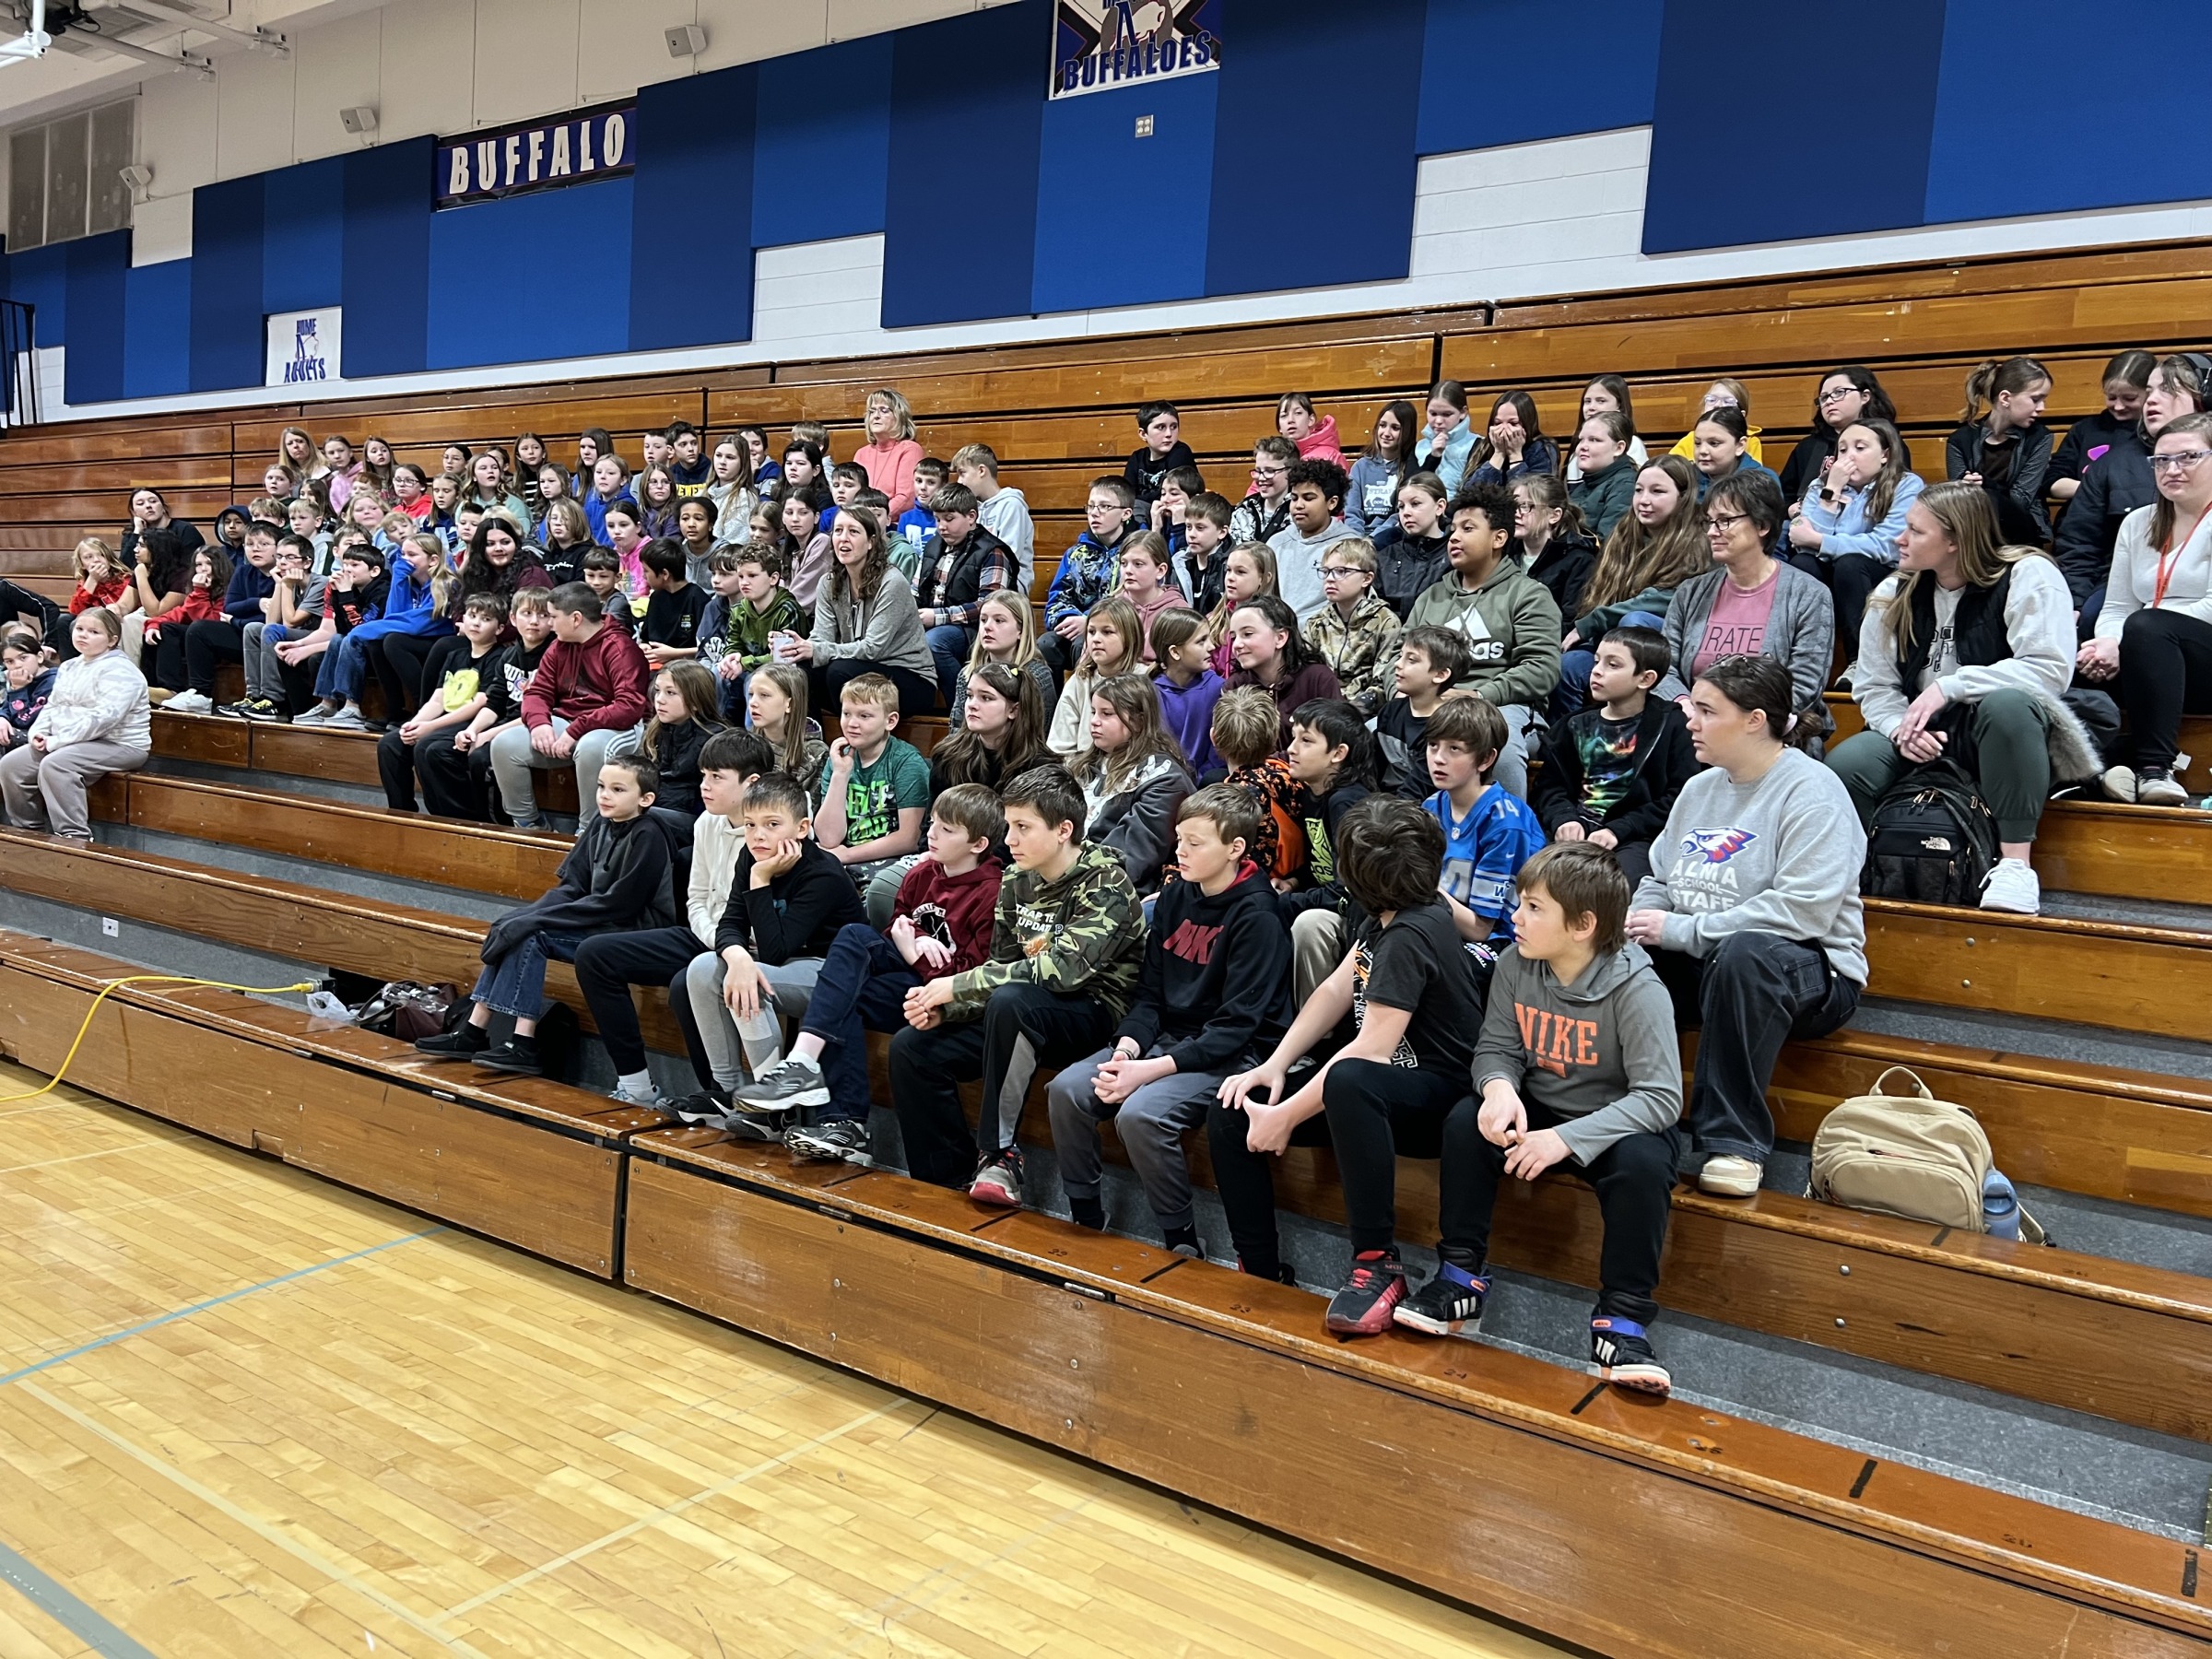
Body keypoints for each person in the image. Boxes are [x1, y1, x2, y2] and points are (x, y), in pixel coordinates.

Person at [1407, 842, 1683, 1395]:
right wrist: (1499, 1088)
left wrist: (1564, 1139)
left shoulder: (1638, 988)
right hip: (1541, 1106)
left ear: (1583, 925)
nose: (1516, 917)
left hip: (1614, 1121)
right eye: (1520, 903)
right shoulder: (1514, 964)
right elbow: (1495, 1049)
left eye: (1534, 908)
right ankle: (1460, 1278)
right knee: (1468, 1120)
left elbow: (1660, 1098)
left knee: (1645, 1163)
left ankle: (1622, 1321)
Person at [1212, 795, 1485, 1303]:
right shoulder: (1380, 910)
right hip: (1379, 1085)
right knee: (1232, 1110)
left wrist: (1288, 1116)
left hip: (1436, 1096)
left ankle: (1376, 1263)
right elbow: (1338, 990)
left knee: (1349, 1078)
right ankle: (1261, 1270)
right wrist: (1275, 1066)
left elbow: (1369, 1050)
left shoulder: (1412, 933)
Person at [1628, 654, 1865, 1198]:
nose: (1689, 719)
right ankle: (1602, 1110)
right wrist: (1639, 920)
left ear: (1755, 720)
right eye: (1691, 706)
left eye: (1706, 710)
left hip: (1810, 971)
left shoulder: (1813, 791)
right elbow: (1661, 876)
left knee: (1745, 955)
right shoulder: (1701, 788)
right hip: (1703, 956)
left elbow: (1803, 911)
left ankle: (1734, 1144)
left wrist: (1682, 931)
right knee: (1605, 950)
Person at [1049, 785, 1294, 1254]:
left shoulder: (1259, 915)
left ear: (1234, 849)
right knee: (1067, 1091)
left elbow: (1236, 1028)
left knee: (1141, 1116)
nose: (1179, 851)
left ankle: (1180, 1240)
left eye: (1195, 843)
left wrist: (1148, 1071)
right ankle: (1085, 1221)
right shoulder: (1175, 897)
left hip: (1234, 1056)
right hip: (1166, 1040)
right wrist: (1126, 1052)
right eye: (1179, 839)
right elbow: (1150, 996)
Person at [1830, 484, 2094, 916]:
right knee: (1849, 762)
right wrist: (1899, 728)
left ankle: (2015, 866)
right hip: (1920, 729)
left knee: (2008, 706)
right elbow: (1874, 686)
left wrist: (1950, 686)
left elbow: (2049, 670)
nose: (1899, 538)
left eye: (1915, 531)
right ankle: (1865, 868)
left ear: (1955, 541)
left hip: (1996, 730)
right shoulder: (1893, 590)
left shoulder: (2029, 574)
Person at [889, 765, 1147, 1205]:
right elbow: (1003, 965)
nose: (1010, 840)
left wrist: (954, 987)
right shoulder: (1016, 880)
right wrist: (945, 1009)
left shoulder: (1107, 883)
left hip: (1093, 1015)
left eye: (1023, 828)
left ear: (1064, 830)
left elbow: (1061, 972)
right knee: (912, 1046)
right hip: (1020, 1011)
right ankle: (943, 1184)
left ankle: (1000, 1155)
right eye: (1009, 827)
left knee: (1013, 1001)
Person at [727, 784, 1008, 1160]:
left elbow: (973, 976)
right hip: (911, 980)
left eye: (947, 830)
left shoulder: (994, 893)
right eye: (933, 824)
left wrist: (913, 951)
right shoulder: (921, 873)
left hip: (948, 999)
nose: (932, 834)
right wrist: (911, 940)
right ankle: (846, 1126)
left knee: (852, 947)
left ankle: (803, 1065)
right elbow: (898, 924)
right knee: (842, 988)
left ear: (978, 844)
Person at [411, 754, 681, 1077]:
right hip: (600, 918)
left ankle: (522, 1044)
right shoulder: (600, 822)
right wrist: (525, 914)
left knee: (532, 935)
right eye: (601, 787)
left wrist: (536, 921)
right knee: (517, 928)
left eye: (618, 789)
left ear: (645, 798)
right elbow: (572, 886)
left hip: (635, 929)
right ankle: (473, 1030)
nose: (605, 795)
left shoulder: (649, 834)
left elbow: (620, 905)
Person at [564, 729, 778, 1117]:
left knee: (685, 983)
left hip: (749, 946)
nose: (704, 786)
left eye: (716, 777)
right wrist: (713, 938)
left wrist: (724, 945)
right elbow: (696, 898)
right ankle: (636, 1085)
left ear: (752, 783)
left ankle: (719, 1094)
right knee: (595, 954)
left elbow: (758, 916)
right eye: (702, 776)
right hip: (705, 935)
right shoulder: (705, 824)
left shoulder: (771, 831)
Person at [706, 770, 874, 1134]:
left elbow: (774, 951)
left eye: (771, 824)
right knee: (704, 969)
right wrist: (737, 957)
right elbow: (730, 924)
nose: (758, 835)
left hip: (830, 974)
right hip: (787, 965)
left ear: (802, 828)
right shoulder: (751, 857)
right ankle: (731, 1092)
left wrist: (760, 881)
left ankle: (773, 1108)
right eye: (750, 825)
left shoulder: (822, 874)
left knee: (757, 979)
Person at [2080, 411, 2212, 807]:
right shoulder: (2139, 522)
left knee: (2148, 627)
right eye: (2161, 460)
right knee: (2071, 656)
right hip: (2147, 652)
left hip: (2203, 658)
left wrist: (2133, 639)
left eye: (2188, 457)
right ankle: (2097, 764)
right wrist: (2107, 643)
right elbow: (2118, 603)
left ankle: (2156, 768)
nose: (2171, 469)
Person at [1406, 480, 1561, 794]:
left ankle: (1510, 837)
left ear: (1498, 538)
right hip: (1431, 702)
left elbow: (1542, 668)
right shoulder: (1432, 596)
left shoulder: (1528, 594)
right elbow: (1399, 653)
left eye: (1468, 528)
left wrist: (1479, 695)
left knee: (1496, 751)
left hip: (1501, 705)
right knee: (1364, 737)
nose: (1454, 537)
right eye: (1453, 529)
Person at [1533, 627, 1693, 888]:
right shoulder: (1572, 725)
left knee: (1616, 887)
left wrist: (1620, 829)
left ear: (1645, 679)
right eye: (1597, 661)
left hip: (1636, 836)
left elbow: (1679, 795)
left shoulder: (1671, 725)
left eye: (1613, 665)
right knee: (1540, 882)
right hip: (1578, 829)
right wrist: (1564, 818)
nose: (1596, 670)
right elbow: (1550, 786)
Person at [488, 582, 650, 833]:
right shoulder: (559, 646)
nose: (549, 624)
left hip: (618, 727)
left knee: (590, 747)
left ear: (576, 618)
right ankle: (529, 825)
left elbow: (628, 707)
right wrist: (540, 722)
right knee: (504, 744)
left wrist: (576, 730)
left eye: (552, 616)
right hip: (568, 720)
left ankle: (589, 831)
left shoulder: (621, 648)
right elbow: (537, 691)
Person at [2056, 353, 2206, 623]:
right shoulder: (2111, 464)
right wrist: (2075, 602)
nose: (2152, 399)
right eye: (2149, 391)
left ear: (2204, 398)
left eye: (2167, 389)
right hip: (2127, 588)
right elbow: (2080, 543)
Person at [1677, 468, 1838, 717]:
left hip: (1769, 732)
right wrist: (1686, 705)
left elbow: (1804, 685)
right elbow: (1665, 668)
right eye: (1709, 521)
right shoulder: (1690, 592)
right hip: (1693, 725)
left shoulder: (1809, 594)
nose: (1711, 531)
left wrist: (1737, 721)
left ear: (1762, 525)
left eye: (1724, 520)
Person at [1559, 457, 1706, 719]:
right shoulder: (1624, 534)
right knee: (1568, 666)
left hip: (1670, 643)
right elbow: (1599, 595)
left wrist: (1595, 621)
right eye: (1639, 490)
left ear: (1683, 496)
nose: (1644, 500)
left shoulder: (1700, 540)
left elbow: (1670, 598)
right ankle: (1571, 741)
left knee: (1634, 621)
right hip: (1612, 641)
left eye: (1657, 491)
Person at [0, 607, 151, 841]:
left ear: (112, 640)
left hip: (120, 744)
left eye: (93, 632)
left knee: (56, 765)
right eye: (80, 629)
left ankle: (74, 837)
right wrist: (38, 733)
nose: (83, 635)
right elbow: (53, 706)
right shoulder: (69, 666)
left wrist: (56, 741)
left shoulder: (122, 671)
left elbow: (103, 720)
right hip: (69, 741)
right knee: (11, 765)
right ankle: (28, 833)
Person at [1423, 694, 1546, 965]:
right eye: (1433, 745)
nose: (1438, 759)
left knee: (1420, 960)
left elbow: (1480, 929)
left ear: (1486, 759)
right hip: (1442, 923)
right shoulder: (1431, 806)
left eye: (1454, 749)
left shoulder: (1506, 822)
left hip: (1501, 943)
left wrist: (1415, 884)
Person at [1782, 418, 1920, 657]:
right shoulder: (1820, 487)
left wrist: (1820, 542)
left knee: (1851, 564)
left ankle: (1859, 659)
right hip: (1834, 573)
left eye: (1860, 447)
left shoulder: (1906, 485)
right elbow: (1804, 547)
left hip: (1883, 573)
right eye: (1842, 449)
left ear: (1885, 454)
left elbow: (1887, 546)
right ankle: (1805, 655)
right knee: (1801, 565)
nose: (1848, 456)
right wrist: (1831, 492)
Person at [791, 503, 937, 719]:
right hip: (859, 667)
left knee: (839, 672)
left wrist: (818, 650)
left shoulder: (892, 582)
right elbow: (821, 637)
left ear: (871, 542)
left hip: (910, 677)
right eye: (838, 531)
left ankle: (855, 737)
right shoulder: (828, 583)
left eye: (853, 531)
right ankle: (815, 740)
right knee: (800, 672)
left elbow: (873, 649)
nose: (843, 538)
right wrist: (800, 648)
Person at [377, 594, 503, 813]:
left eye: (485, 619)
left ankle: (449, 817)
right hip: (445, 718)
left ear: (499, 628)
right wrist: (414, 724)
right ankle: (402, 812)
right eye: (472, 616)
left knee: (427, 746)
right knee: (390, 744)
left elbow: (480, 702)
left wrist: (430, 727)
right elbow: (438, 699)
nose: (476, 623)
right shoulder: (454, 655)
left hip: (474, 721)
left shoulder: (499, 657)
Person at [1074, 674, 1194, 892]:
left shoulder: (1165, 779)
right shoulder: (1083, 766)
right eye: (1093, 712)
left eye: (1107, 714)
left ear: (1138, 720)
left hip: (1117, 893)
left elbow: (1132, 856)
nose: (1094, 721)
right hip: (1070, 877)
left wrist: (1065, 874)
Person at [815, 671, 931, 896]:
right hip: (843, 857)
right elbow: (828, 838)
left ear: (890, 721)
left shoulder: (906, 762)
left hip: (889, 860)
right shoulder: (838, 759)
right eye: (846, 713)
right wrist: (840, 774)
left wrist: (847, 855)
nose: (852, 724)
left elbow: (909, 839)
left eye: (864, 716)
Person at [911, 482, 1016, 700]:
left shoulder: (992, 551)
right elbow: (915, 590)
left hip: (975, 628)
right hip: (932, 621)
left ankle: (961, 706)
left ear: (971, 517)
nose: (941, 526)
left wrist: (938, 617)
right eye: (937, 519)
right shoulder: (932, 546)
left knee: (935, 643)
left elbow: (990, 605)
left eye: (949, 519)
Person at [163, 521, 279, 714]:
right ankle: (200, 694)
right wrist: (257, 604)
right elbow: (230, 607)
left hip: (266, 639)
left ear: (279, 547)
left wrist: (237, 620)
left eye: (264, 544)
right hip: (241, 634)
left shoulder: (282, 577)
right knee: (199, 629)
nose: (255, 549)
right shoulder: (243, 571)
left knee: (255, 629)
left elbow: (271, 619)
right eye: (250, 544)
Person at [1207, 686, 1308, 888]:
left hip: (1253, 891)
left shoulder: (1232, 800)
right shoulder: (1290, 776)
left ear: (1214, 738)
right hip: (1295, 879)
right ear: (1274, 737)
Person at [1041, 477, 1145, 674]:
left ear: (1126, 513)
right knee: (1046, 644)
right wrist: (1070, 618)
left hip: (1115, 630)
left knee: (1085, 643)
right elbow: (1057, 599)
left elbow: (1133, 600)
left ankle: (1092, 702)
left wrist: (1089, 622)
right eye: (1091, 507)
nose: (1095, 513)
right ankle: (1053, 705)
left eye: (1105, 506)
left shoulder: (1137, 552)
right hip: (1077, 625)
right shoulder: (1075, 554)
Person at [1947, 356, 2053, 546]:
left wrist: (1984, 485)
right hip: (1973, 532)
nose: (2042, 408)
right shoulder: (1959, 440)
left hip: (2021, 533)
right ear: (2005, 398)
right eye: (2036, 399)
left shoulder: (2040, 437)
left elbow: (2021, 500)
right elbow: (1956, 502)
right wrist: (1963, 486)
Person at [1222, 594, 1342, 749]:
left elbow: (1335, 739)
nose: (1237, 644)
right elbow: (1229, 748)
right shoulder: (1235, 685)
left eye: (1247, 634)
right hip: (1252, 770)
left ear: (1280, 638)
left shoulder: (1318, 678)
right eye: (1233, 637)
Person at [1775, 367, 1907, 508]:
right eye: (1824, 397)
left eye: (1839, 392)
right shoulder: (1807, 446)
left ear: (1865, 396)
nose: (1829, 401)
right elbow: (1784, 495)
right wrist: (1790, 509)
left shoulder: (1888, 441)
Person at [1372, 624, 1474, 798]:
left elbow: (1419, 790)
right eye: (1400, 656)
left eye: (1411, 660)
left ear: (1440, 675)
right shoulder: (1391, 711)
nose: (1397, 664)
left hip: (1416, 809)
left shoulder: (1447, 727)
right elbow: (1373, 767)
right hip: (1384, 801)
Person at [612, 662, 724, 818]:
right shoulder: (655, 731)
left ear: (696, 701)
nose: (660, 700)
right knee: (608, 810)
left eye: (670, 693)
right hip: (656, 807)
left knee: (640, 817)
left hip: (691, 817)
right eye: (658, 691)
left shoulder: (715, 740)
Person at [1301, 537, 1395, 715]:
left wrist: (1347, 711)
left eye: (1341, 571)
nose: (1329, 579)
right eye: (1326, 571)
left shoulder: (1385, 622)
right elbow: (1305, 675)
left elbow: (1382, 683)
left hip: (1364, 714)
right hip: (1321, 709)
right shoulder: (1316, 623)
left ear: (1366, 579)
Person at [2049, 350, 2155, 506]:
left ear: (2150, 393)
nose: (2118, 406)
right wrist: (2099, 489)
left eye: (2129, 398)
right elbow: (2053, 482)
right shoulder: (2084, 429)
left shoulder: (2161, 432)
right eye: (2111, 397)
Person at [950, 588, 1056, 727]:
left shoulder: (1036, 676)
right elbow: (956, 731)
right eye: (983, 620)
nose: (987, 627)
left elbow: (1040, 735)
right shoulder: (967, 674)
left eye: (999, 620)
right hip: (972, 748)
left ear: (1021, 630)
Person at [1269, 458, 1359, 621]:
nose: (1298, 505)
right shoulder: (1276, 543)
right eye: (1294, 498)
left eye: (1308, 498)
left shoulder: (1350, 546)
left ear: (1332, 503)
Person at [952, 443, 1038, 595]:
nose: (959, 481)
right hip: (977, 581)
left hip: (1009, 591)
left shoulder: (1012, 505)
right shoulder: (974, 508)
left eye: (962, 473)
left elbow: (1009, 558)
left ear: (981, 471)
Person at [1512, 476, 1598, 623]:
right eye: (1514, 506)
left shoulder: (1579, 559)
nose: (1516, 514)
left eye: (1526, 506)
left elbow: (1571, 620)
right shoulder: (1504, 552)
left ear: (1554, 515)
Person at [1150, 606, 1222, 776]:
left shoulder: (1217, 688)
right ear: (1175, 652)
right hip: (1160, 783)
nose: (1211, 647)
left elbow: (1218, 754)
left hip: (1205, 787)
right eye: (1201, 641)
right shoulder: (1149, 692)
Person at [1375, 473, 1451, 620]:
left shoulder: (1454, 553)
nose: (1406, 513)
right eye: (1401, 507)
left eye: (1415, 504)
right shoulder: (1385, 554)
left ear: (1440, 507)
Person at [747, 660, 830, 792]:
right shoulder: (745, 745)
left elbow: (810, 809)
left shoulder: (816, 754)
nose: (753, 703)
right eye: (751, 695)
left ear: (790, 705)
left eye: (764, 695)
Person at [1346, 398, 1420, 536]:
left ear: (1407, 432)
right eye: (1382, 425)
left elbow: (1399, 515)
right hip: (1358, 538)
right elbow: (1352, 512)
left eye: (1395, 428)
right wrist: (1356, 541)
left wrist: (1373, 540)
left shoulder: (1410, 468)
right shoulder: (1360, 467)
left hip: (1391, 536)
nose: (1386, 433)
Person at [637, 540, 712, 669]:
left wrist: (674, 654)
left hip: (686, 667)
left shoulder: (697, 598)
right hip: (654, 664)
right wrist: (644, 647)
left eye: (646, 571)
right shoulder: (656, 597)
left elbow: (708, 647)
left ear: (664, 574)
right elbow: (646, 638)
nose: (643, 576)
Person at [1205, 543, 1275, 677]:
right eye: (1228, 570)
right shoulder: (1213, 620)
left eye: (1240, 572)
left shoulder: (1274, 623)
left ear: (1265, 578)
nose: (1230, 578)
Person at [1564, 375, 1650, 482]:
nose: (1591, 407)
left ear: (1619, 405)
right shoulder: (1579, 446)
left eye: (1601, 401)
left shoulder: (1633, 444)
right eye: (1587, 401)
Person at [1466, 392, 1558, 490]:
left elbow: (1529, 498)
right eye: (1498, 423)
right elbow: (1471, 496)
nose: (1504, 430)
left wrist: (1515, 456)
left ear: (1527, 425)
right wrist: (1498, 454)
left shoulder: (1542, 450)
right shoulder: (1483, 447)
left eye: (1513, 423)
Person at [1567, 413, 1637, 539]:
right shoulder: (1586, 484)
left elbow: (1608, 543)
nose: (1583, 446)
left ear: (1619, 448)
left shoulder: (1626, 485)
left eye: (1594, 440)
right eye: (1581, 439)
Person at [855, 388, 924, 518]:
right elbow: (854, 496)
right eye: (872, 411)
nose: (876, 416)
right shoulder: (861, 453)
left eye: (884, 410)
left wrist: (874, 519)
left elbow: (905, 499)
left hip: (891, 525)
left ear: (899, 417)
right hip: (863, 523)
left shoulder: (909, 449)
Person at [1115, 531, 1181, 661]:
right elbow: (1087, 663)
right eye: (1124, 563)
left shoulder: (1177, 610)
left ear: (1160, 570)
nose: (1128, 570)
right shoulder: (1112, 608)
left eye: (1138, 564)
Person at [1688, 406, 1775, 504]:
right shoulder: (1685, 479)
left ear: (1740, 445)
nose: (1702, 451)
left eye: (1714, 443)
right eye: (1697, 443)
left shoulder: (1763, 482)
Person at [1124, 401, 1194, 519]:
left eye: (1174, 427)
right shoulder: (1136, 458)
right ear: (1143, 434)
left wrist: (1136, 499)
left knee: (1137, 506)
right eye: (1161, 427)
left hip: (1173, 513)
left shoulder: (1180, 452)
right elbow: (1126, 497)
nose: (1168, 434)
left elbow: (1173, 494)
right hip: (1146, 514)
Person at [1668, 380, 1765, 465]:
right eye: (1711, 400)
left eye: (1727, 401)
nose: (1717, 405)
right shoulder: (1690, 439)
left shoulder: (1751, 442)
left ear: (1741, 415)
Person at [1169, 486, 1230, 618]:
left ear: (1222, 532)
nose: (1192, 534)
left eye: (1200, 528)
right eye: (1188, 527)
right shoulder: (1179, 563)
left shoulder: (1231, 566)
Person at [1230, 437, 1298, 547]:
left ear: (1291, 472)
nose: (1261, 478)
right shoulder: (1244, 510)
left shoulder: (1298, 512)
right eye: (1258, 471)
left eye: (1270, 471)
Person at [1414, 382, 1477, 492]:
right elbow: (1412, 489)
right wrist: (1433, 457)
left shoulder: (1478, 445)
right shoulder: (1419, 447)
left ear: (1463, 412)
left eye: (1447, 414)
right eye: (1433, 414)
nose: (1438, 421)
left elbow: (1476, 492)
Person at [0, 629, 55, 751]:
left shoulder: (52, 682)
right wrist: (2, 718)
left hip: (41, 738)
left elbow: (23, 720)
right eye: (10, 661)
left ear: (40, 657)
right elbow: (6, 708)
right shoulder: (20, 678)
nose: (17, 665)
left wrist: (18, 689)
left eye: (23, 658)